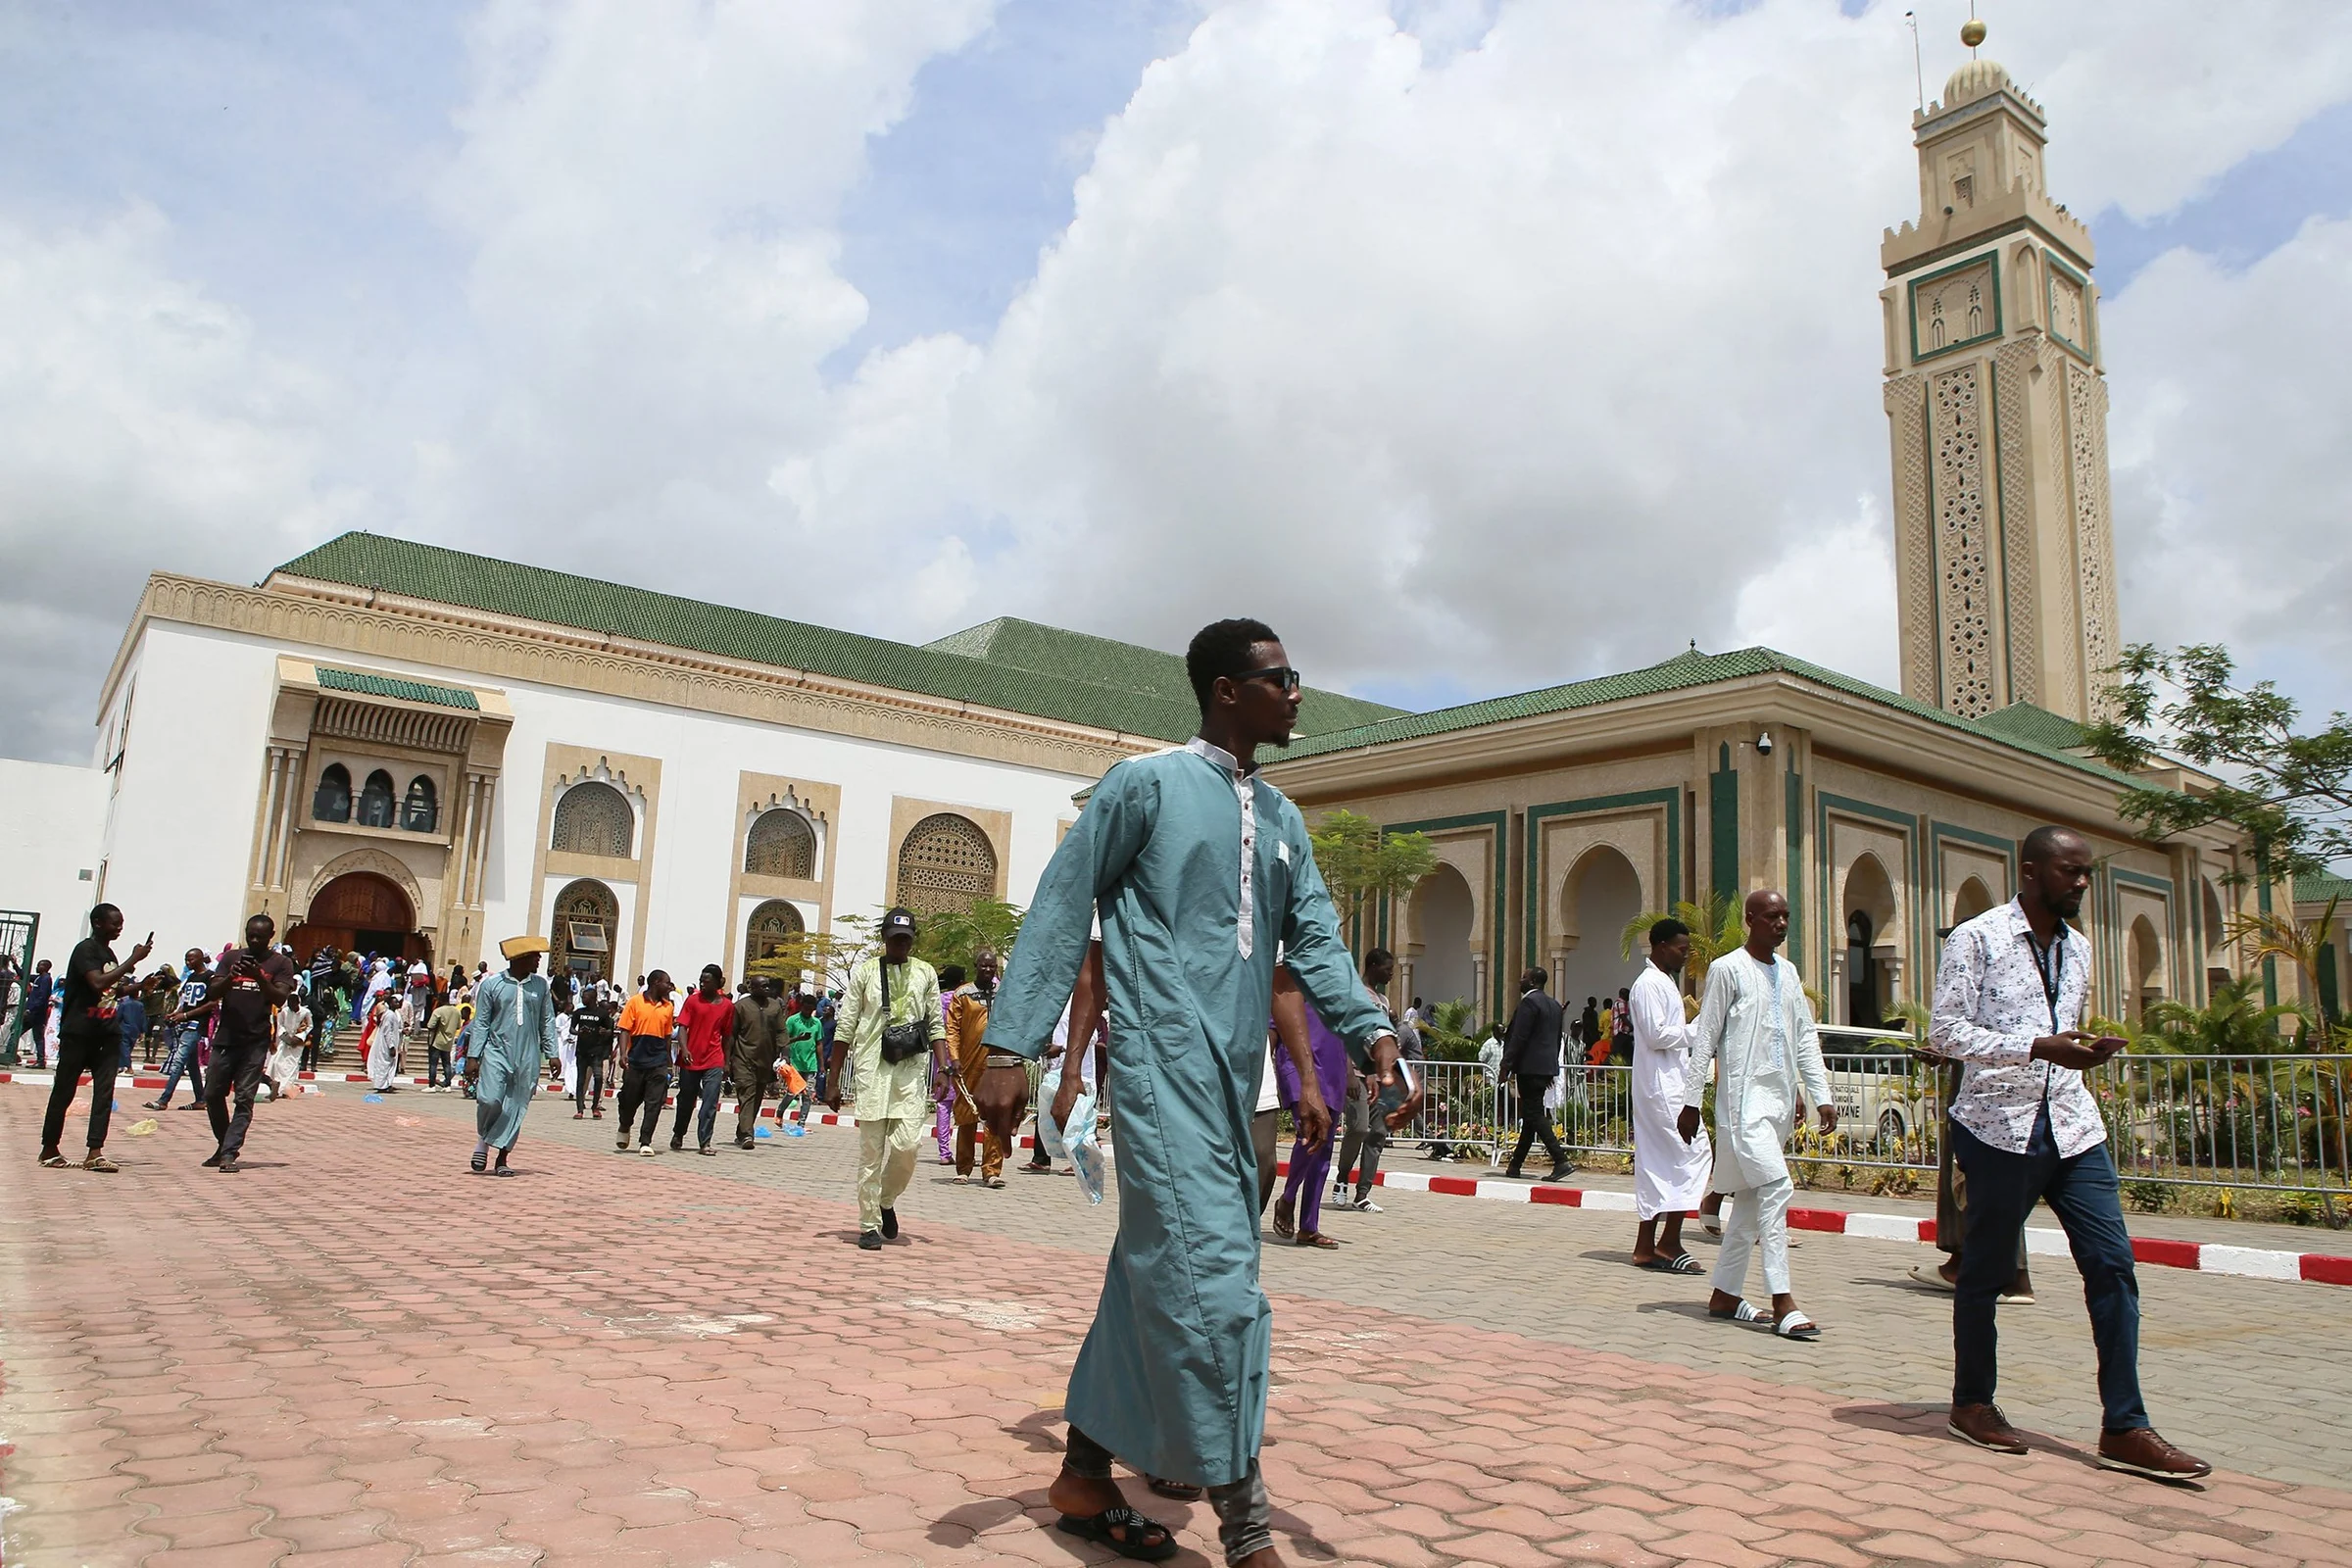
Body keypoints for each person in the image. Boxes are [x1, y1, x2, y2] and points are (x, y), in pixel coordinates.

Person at [978, 617, 1396, 1568]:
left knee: (1150, 1274)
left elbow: (1318, 944)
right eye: (1280, 677)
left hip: (1232, 1085)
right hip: (1162, 1071)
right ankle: (1245, 1528)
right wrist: (1013, 1040)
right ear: (1225, 691)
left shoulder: (1284, 820)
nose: (1298, 692)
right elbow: (1063, 896)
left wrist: (1370, 1030)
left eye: (1297, 676)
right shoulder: (1146, 786)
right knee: (1215, 1281)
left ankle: (1084, 1470)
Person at [1931, 826, 2208, 1479]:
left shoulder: (2080, 948)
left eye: (2086, 873)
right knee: (1986, 1273)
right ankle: (1972, 1402)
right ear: (2030, 872)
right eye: (2070, 872)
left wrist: (2080, 1049)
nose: (2081, 883)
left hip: (2075, 1127)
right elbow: (1945, 1032)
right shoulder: (1978, 937)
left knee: (2112, 1266)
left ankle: (2126, 1425)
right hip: (1999, 1127)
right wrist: (2036, 1047)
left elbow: (2061, 1029)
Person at [1678, 890, 1834, 1340]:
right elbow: (1705, 1038)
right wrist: (1692, 1102)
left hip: (1779, 1106)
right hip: (1743, 1106)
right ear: (1750, 919)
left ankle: (1725, 1294)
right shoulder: (1728, 969)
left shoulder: (1788, 973)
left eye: (1786, 916)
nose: (1781, 924)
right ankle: (1782, 1298)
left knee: (1748, 1202)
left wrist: (1819, 1093)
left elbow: (1804, 1037)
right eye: (1771, 916)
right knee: (1777, 1186)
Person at [826, 908, 940, 1249]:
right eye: (894, 938)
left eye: (906, 938)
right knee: (871, 1154)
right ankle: (868, 1226)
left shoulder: (925, 973)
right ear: (885, 938)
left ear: (912, 939)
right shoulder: (864, 973)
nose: (900, 944)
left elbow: (936, 1024)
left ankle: (885, 1200)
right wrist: (832, 1082)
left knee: (908, 1147)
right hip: (873, 1072)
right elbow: (845, 1027)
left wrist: (945, 1068)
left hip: (910, 1074)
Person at [37, 905, 152, 1172]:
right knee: (64, 1091)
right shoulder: (85, 950)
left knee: (104, 1092)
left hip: (107, 1032)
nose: (120, 927)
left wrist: (138, 987)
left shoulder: (108, 953)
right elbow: (97, 982)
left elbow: (110, 990)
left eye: (121, 922)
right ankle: (49, 1148)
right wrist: (133, 960)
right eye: (115, 923)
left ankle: (95, 1152)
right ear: (98, 923)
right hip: (79, 1032)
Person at [1629, 918, 1707, 1272]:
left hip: (1669, 1083)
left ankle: (1647, 1247)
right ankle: (1670, 1243)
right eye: (1681, 948)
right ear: (1660, 946)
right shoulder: (1648, 985)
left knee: (1661, 1163)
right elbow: (1657, 1035)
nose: (1685, 955)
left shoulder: (1663, 983)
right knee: (1694, 1155)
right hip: (1661, 1089)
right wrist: (1700, 1030)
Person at [200, 913, 298, 1174]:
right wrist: (232, 977)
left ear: (270, 937)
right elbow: (213, 992)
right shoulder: (231, 958)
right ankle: (224, 1145)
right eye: (250, 935)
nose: (253, 940)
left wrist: (259, 976)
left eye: (259, 936)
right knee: (212, 1094)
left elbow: (279, 998)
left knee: (244, 1098)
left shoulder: (281, 963)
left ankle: (230, 1152)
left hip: (255, 1040)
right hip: (226, 1038)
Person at [1331, 948, 1419, 1213]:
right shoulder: (1355, 993)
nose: (1392, 974)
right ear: (1372, 966)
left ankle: (1363, 1193)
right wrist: (1347, 1070)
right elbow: (1343, 1034)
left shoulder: (1382, 1000)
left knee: (1379, 1132)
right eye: (1387, 969)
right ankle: (1342, 1178)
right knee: (1358, 1128)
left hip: (1380, 1076)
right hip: (1357, 1073)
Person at [463, 935, 558, 1174]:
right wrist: (473, 1056)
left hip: (528, 1054)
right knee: (489, 1099)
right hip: (496, 1050)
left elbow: (547, 1020)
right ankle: (483, 1142)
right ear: (520, 958)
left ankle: (502, 1159)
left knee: (516, 1105)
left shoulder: (540, 986)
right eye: (535, 956)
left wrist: (553, 1053)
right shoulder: (492, 985)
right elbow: (481, 1022)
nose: (538, 960)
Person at [1270, 970, 1349, 1249]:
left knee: (1324, 1148)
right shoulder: (1289, 977)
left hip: (1333, 1070)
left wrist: (1352, 1073)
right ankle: (1288, 1196)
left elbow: (1346, 1032)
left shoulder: (1338, 984)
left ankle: (1308, 1227)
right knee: (1309, 1134)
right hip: (1297, 1066)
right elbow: (1273, 1025)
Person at [945, 948, 1013, 1187]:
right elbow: (952, 1028)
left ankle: (992, 1171)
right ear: (976, 967)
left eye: (992, 966)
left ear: (996, 969)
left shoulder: (1003, 992)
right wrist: (953, 1058)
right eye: (983, 966)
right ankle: (964, 1168)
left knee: (995, 1115)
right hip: (967, 1063)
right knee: (966, 1115)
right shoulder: (963, 994)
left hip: (996, 1064)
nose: (987, 970)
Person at [1499, 966, 1573, 1181]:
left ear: (1532, 982)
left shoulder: (1529, 1003)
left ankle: (1561, 1160)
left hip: (1529, 1067)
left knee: (1534, 1114)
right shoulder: (1553, 1005)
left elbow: (1519, 1037)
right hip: (1544, 1067)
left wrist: (1506, 1066)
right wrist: (1551, 1069)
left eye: (1523, 977)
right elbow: (1557, 1040)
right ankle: (1515, 1165)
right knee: (1531, 1115)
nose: (1519, 980)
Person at [670, 965, 734, 1154]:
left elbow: (728, 1036)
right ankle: (678, 1134)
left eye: (706, 981)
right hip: (691, 1059)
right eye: (701, 980)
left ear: (718, 982)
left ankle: (705, 1141)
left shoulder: (727, 1006)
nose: (702, 984)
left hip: (714, 1059)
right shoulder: (692, 1001)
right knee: (686, 1100)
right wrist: (684, 1048)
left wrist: (727, 1061)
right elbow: (682, 1027)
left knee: (710, 1102)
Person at [613, 971, 677, 1154]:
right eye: (667, 983)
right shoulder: (635, 1002)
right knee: (629, 1099)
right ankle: (625, 1126)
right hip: (636, 1059)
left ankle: (645, 1141)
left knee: (654, 1102)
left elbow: (666, 1037)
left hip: (657, 1062)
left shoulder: (668, 1007)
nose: (670, 986)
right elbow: (625, 1030)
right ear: (656, 983)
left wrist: (668, 1062)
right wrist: (624, 1053)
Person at [729, 975, 789, 1148]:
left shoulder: (774, 1006)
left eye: (768, 986)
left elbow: (781, 1031)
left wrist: (785, 1054)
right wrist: (728, 1060)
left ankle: (742, 1131)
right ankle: (748, 1135)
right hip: (743, 1058)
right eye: (763, 986)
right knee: (747, 1094)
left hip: (765, 1060)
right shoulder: (740, 1007)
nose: (767, 989)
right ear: (752, 988)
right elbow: (732, 1034)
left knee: (756, 1099)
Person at [149, 951, 213, 1109]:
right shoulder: (191, 977)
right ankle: (201, 1099)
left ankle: (164, 1100)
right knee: (192, 1065)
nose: (187, 962)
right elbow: (186, 1002)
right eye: (186, 959)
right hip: (185, 1022)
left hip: (196, 1024)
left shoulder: (210, 977)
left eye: (191, 959)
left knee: (178, 1060)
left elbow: (211, 1004)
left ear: (200, 959)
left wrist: (185, 1015)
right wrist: (177, 1013)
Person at [932, 963, 966, 1164]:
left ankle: (944, 1153)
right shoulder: (964, 999)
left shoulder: (938, 1001)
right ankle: (964, 1151)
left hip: (940, 1057)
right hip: (962, 1056)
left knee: (943, 1105)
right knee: (965, 1105)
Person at [573, 981, 615, 1118]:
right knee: (581, 1080)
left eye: (585, 997)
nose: (582, 999)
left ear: (592, 998)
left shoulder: (602, 1014)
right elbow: (572, 1029)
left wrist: (605, 1032)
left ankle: (595, 1107)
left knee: (598, 1078)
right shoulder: (578, 1013)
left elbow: (610, 1029)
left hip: (596, 1052)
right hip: (582, 1051)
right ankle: (580, 1109)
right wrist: (579, 1033)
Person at [782, 991, 823, 1128]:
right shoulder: (792, 1020)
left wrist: (821, 1064)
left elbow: (819, 1044)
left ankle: (801, 1122)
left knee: (808, 1094)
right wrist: (786, 1057)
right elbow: (784, 1040)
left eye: (811, 1009)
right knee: (792, 1092)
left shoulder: (817, 1023)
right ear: (801, 1006)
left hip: (811, 1064)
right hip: (795, 1063)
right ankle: (780, 1112)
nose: (808, 1011)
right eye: (806, 1008)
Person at [265, 997, 310, 1101]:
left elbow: (309, 1026)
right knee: (276, 1063)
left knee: (290, 1066)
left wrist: (299, 1037)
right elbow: (280, 1025)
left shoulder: (305, 1012)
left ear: (298, 1003)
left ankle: (284, 1091)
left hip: (298, 1043)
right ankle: (275, 1087)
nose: (291, 1006)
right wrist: (286, 1037)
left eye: (293, 1004)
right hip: (285, 1041)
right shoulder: (284, 1012)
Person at [422, 990, 464, 1093]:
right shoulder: (456, 1011)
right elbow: (458, 1026)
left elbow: (430, 1025)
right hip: (449, 1041)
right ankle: (447, 1085)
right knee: (447, 1063)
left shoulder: (438, 1011)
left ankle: (431, 1086)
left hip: (437, 1040)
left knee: (433, 1064)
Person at [366, 987, 405, 1091]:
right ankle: (381, 1085)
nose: (399, 1004)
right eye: (396, 1002)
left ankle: (386, 1084)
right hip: (386, 1045)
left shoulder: (392, 1014)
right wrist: (391, 1046)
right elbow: (388, 1032)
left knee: (388, 1065)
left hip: (390, 1043)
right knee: (384, 1064)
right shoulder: (389, 1015)